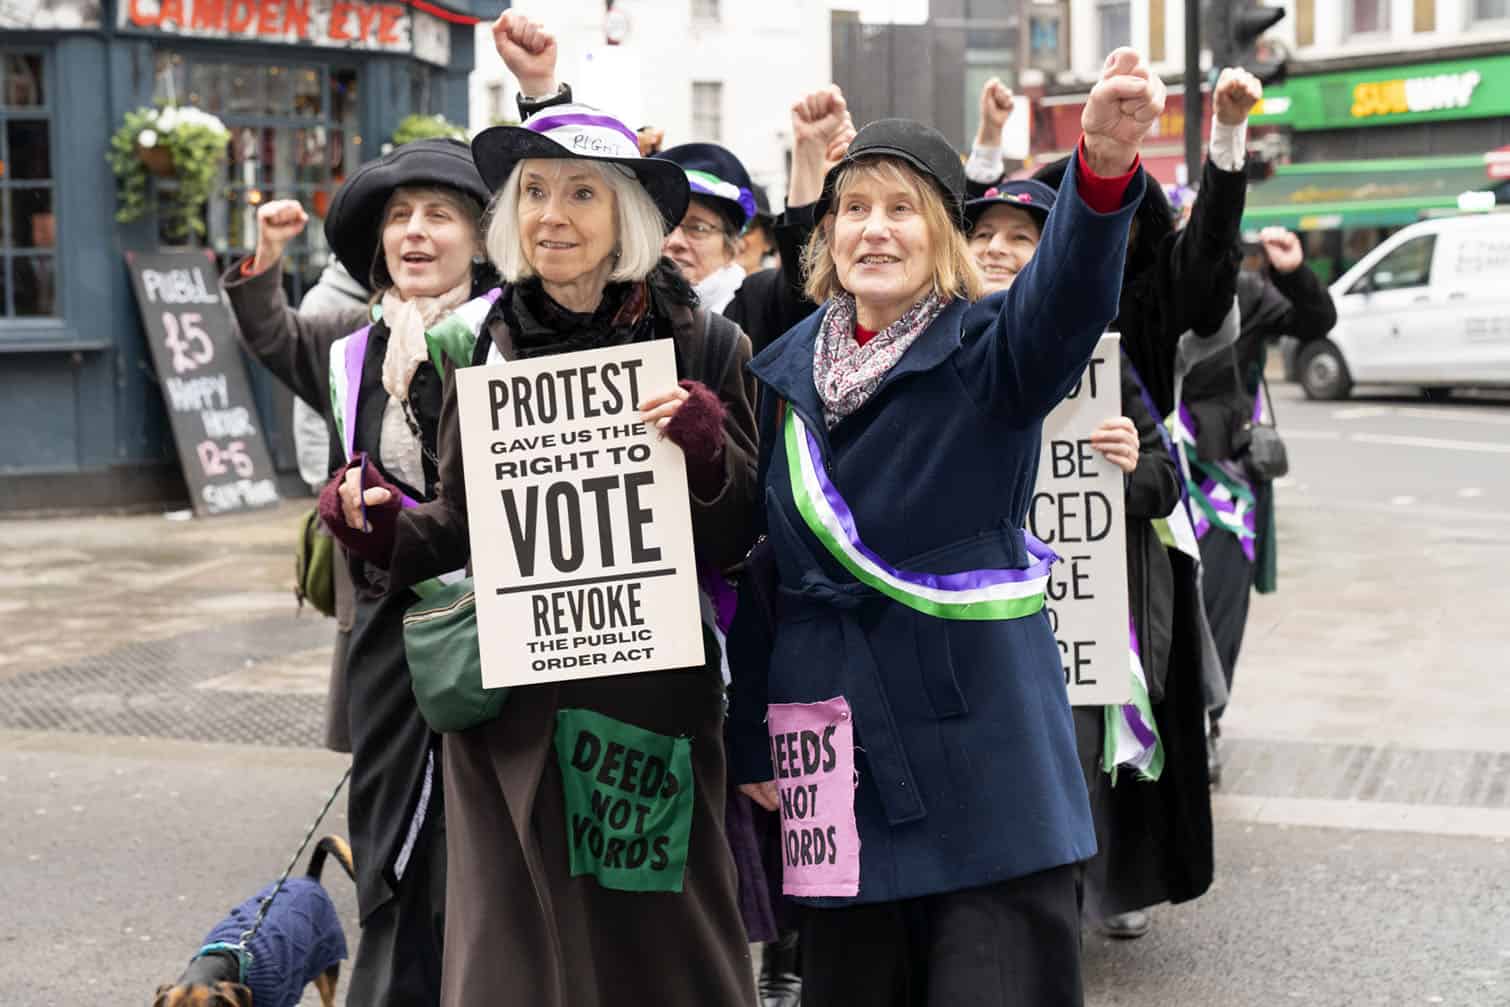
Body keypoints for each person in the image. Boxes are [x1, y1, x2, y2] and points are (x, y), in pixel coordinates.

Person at [325, 13, 762, 1005]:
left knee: (659, 945)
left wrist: (705, 448)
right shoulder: (480, 348)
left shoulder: (704, 343)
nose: (550, 215)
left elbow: (741, 534)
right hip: (510, 712)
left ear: (628, 216)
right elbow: (456, 526)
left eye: (579, 193)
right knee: (516, 957)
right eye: (532, 192)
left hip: (643, 704)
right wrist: (378, 524)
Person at [727, 48, 1164, 1005]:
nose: (874, 229)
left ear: (942, 235)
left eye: (902, 208)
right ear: (828, 234)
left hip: (984, 758)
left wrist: (1099, 170)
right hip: (838, 753)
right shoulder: (784, 372)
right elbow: (768, 572)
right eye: (854, 208)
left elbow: (1066, 300)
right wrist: (754, 736)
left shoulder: (990, 351)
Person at [221, 136, 496, 1005]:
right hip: (388, 637)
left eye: (440, 215)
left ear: (481, 238)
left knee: (483, 840)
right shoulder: (354, 348)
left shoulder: (513, 339)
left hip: (501, 630)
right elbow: (272, 334)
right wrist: (267, 256)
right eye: (400, 217)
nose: (415, 232)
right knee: (388, 840)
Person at [1179, 226, 1337, 774]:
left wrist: (1293, 272)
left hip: (1225, 483)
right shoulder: (1145, 290)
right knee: (1162, 610)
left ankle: (1206, 720)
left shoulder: (1248, 292)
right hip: (1153, 473)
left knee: (1221, 607)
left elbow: (1315, 322)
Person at [293, 257, 368, 756]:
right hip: (344, 485)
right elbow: (312, 407)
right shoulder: (327, 304)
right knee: (350, 619)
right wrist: (323, 483)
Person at [736, 184, 780, 274]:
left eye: (747, 229)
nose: (737, 240)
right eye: (728, 229)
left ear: (768, 240)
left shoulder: (781, 282)